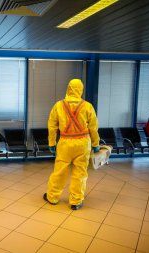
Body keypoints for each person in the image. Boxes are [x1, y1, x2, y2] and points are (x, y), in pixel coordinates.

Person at [43, 79, 100, 210]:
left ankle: (52, 197)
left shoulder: (58, 105)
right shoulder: (87, 106)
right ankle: (76, 201)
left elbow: (52, 126)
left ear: (68, 88)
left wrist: (52, 142)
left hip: (65, 143)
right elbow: (93, 128)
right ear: (81, 90)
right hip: (83, 143)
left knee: (59, 171)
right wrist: (96, 144)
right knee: (80, 173)